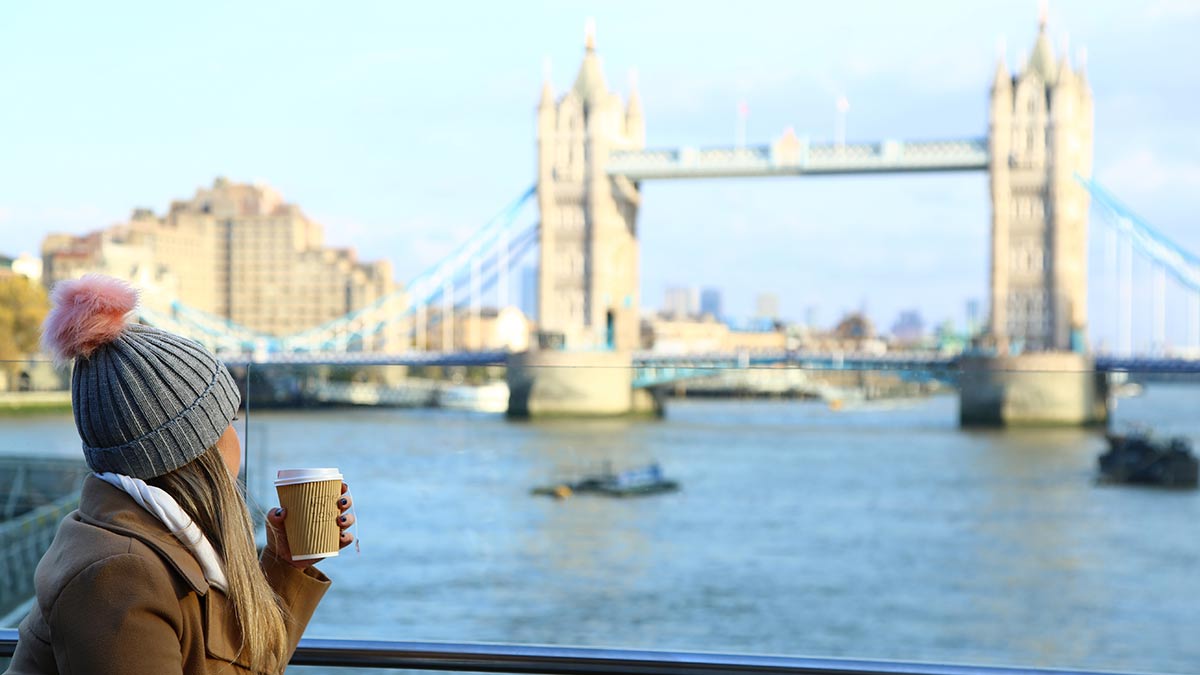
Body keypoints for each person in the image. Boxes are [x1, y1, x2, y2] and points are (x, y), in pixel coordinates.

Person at [5, 274, 355, 674]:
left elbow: (243, 662)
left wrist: (286, 565)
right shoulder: (121, 575)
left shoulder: (150, 542)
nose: (236, 435)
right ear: (196, 448)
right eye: (230, 420)